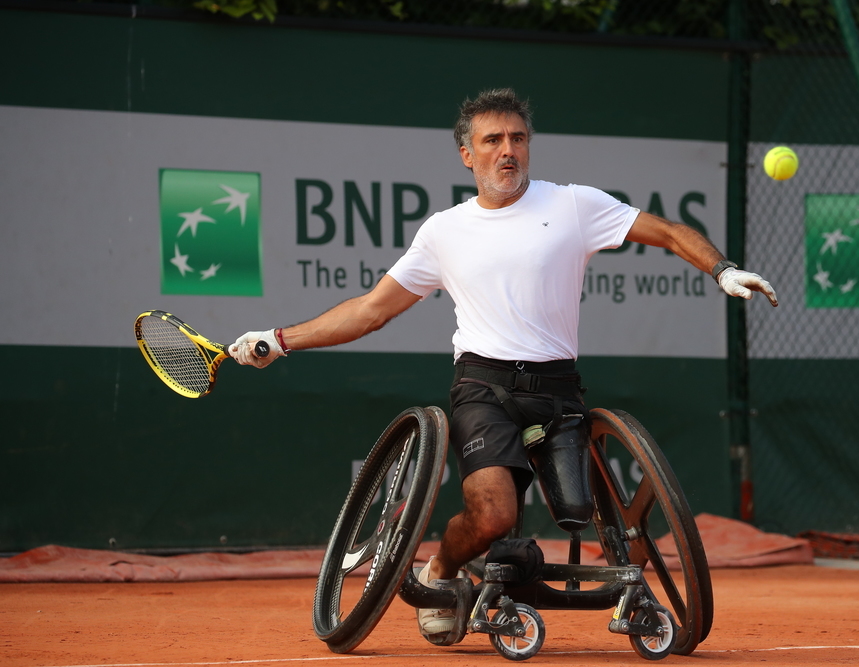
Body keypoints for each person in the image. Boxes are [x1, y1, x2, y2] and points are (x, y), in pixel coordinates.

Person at [229, 88, 778, 637]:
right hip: (483, 388)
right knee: (494, 515)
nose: (507, 150)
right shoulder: (444, 231)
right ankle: (441, 570)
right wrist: (279, 340)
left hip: (559, 388)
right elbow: (370, 311)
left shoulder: (573, 205)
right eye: (492, 140)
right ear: (468, 154)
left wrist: (722, 269)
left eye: (517, 138)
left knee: (576, 512)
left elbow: (668, 232)